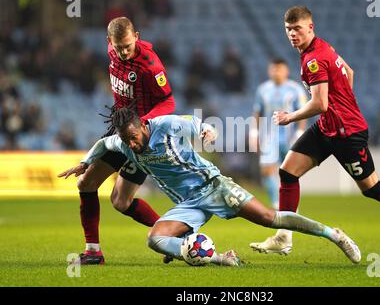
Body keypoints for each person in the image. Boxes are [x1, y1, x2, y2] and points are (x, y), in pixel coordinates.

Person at [59, 108, 362, 266]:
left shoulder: (167, 125)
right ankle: (219, 257)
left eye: (134, 137)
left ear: (144, 126)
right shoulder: (123, 143)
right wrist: (86, 162)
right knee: (155, 239)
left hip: (214, 186)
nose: (132, 145)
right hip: (188, 205)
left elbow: (200, 124)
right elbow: (103, 143)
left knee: (271, 218)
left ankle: (333, 234)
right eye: (127, 141)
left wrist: (208, 131)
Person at [249, 6, 380, 259]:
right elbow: (349, 72)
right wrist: (343, 101)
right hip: (328, 127)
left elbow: (320, 104)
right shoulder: (323, 47)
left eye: (297, 29)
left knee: (371, 188)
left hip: (347, 133)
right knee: (288, 172)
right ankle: (283, 237)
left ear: (310, 27)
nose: (293, 34)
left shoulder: (313, 60)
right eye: (288, 30)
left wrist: (289, 117)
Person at [74, 17, 176, 265]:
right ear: (109, 42)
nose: (124, 51)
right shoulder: (113, 51)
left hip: (141, 138)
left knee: (118, 200)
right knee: (90, 186)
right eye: (119, 47)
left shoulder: (151, 66)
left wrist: (144, 123)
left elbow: (169, 102)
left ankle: (174, 235)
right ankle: (93, 252)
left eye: (128, 45)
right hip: (119, 130)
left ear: (137, 36)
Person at [251, 58, 307, 254]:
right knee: (267, 171)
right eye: (273, 68)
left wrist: (300, 133)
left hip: (290, 136)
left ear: (286, 71)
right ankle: (278, 205)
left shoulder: (295, 89)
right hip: (269, 136)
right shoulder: (262, 89)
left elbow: (303, 111)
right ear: (269, 70)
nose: (276, 72)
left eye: (279, 69)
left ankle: (290, 209)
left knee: (290, 174)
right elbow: (257, 112)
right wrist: (254, 133)